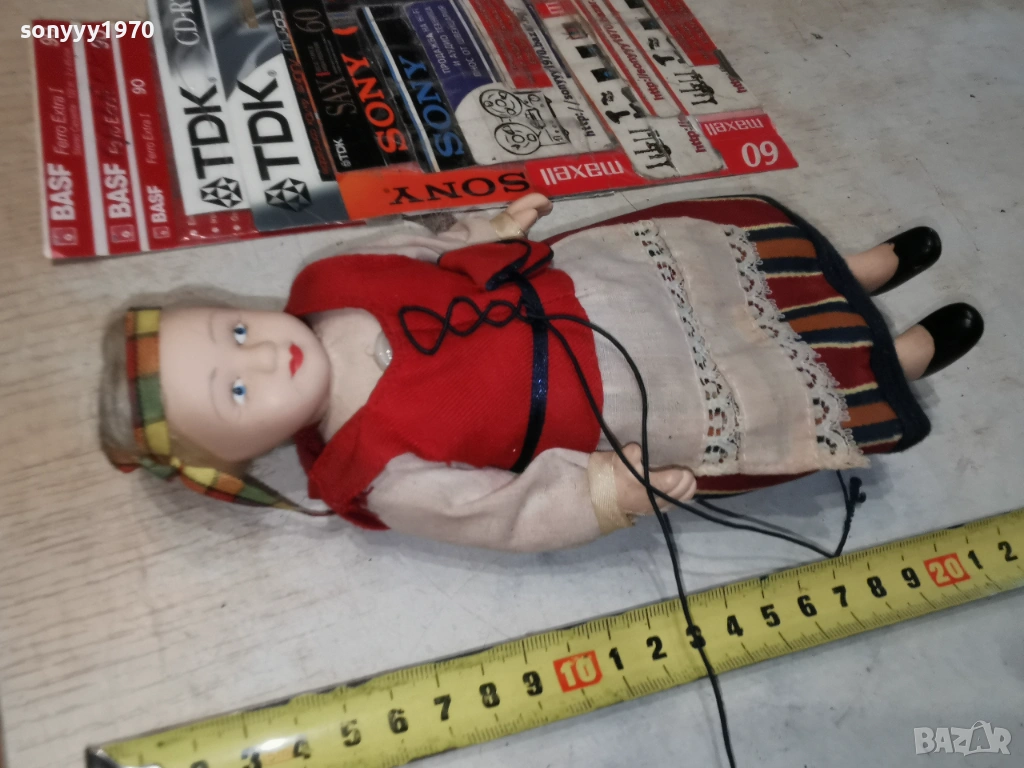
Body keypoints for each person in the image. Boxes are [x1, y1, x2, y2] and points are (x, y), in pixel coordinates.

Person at [100, 193, 983, 551]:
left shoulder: (325, 280)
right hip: (616, 391)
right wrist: (605, 495)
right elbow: (502, 513)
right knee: (759, 381)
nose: (261, 354)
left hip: (589, 283)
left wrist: (485, 233)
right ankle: (901, 357)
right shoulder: (376, 470)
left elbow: (416, 247)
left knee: (724, 276)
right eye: (238, 391)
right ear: (242, 455)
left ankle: (861, 269)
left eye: (235, 329)